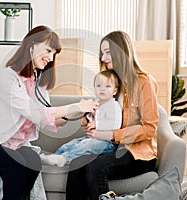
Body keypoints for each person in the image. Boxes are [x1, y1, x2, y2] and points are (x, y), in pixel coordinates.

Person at [0, 25, 98, 200]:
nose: (50, 58)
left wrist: (78, 113)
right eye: (48, 50)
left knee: (33, 160)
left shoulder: (37, 80)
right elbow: (36, 113)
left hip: (18, 145)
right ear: (32, 45)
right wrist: (77, 107)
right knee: (16, 164)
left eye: (54, 54)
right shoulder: (8, 77)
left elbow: (49, 121)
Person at [65, 30, 159, 200]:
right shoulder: (112, 83)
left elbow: (149, 128)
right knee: (76, 164)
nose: (103, 57)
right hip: (114, 148)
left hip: (138, 153)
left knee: (95, 167)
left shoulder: (145, 82)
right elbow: (107, 115)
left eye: (108, 52)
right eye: (102, 53)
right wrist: (91, 119)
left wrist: (110, 134)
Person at [40, 70, 122, 167]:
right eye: (98, 86)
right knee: (72, 144)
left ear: (114, 91)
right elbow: (92, 117)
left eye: (107, 86)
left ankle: (65, 158)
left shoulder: (114, 105)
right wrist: (87, 119)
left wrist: (97, 124)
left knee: (85, 146)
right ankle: (54, 157)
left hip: (107, 143)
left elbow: (115, 124)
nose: (102, 89)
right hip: (92, 137)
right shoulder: (96, 103)